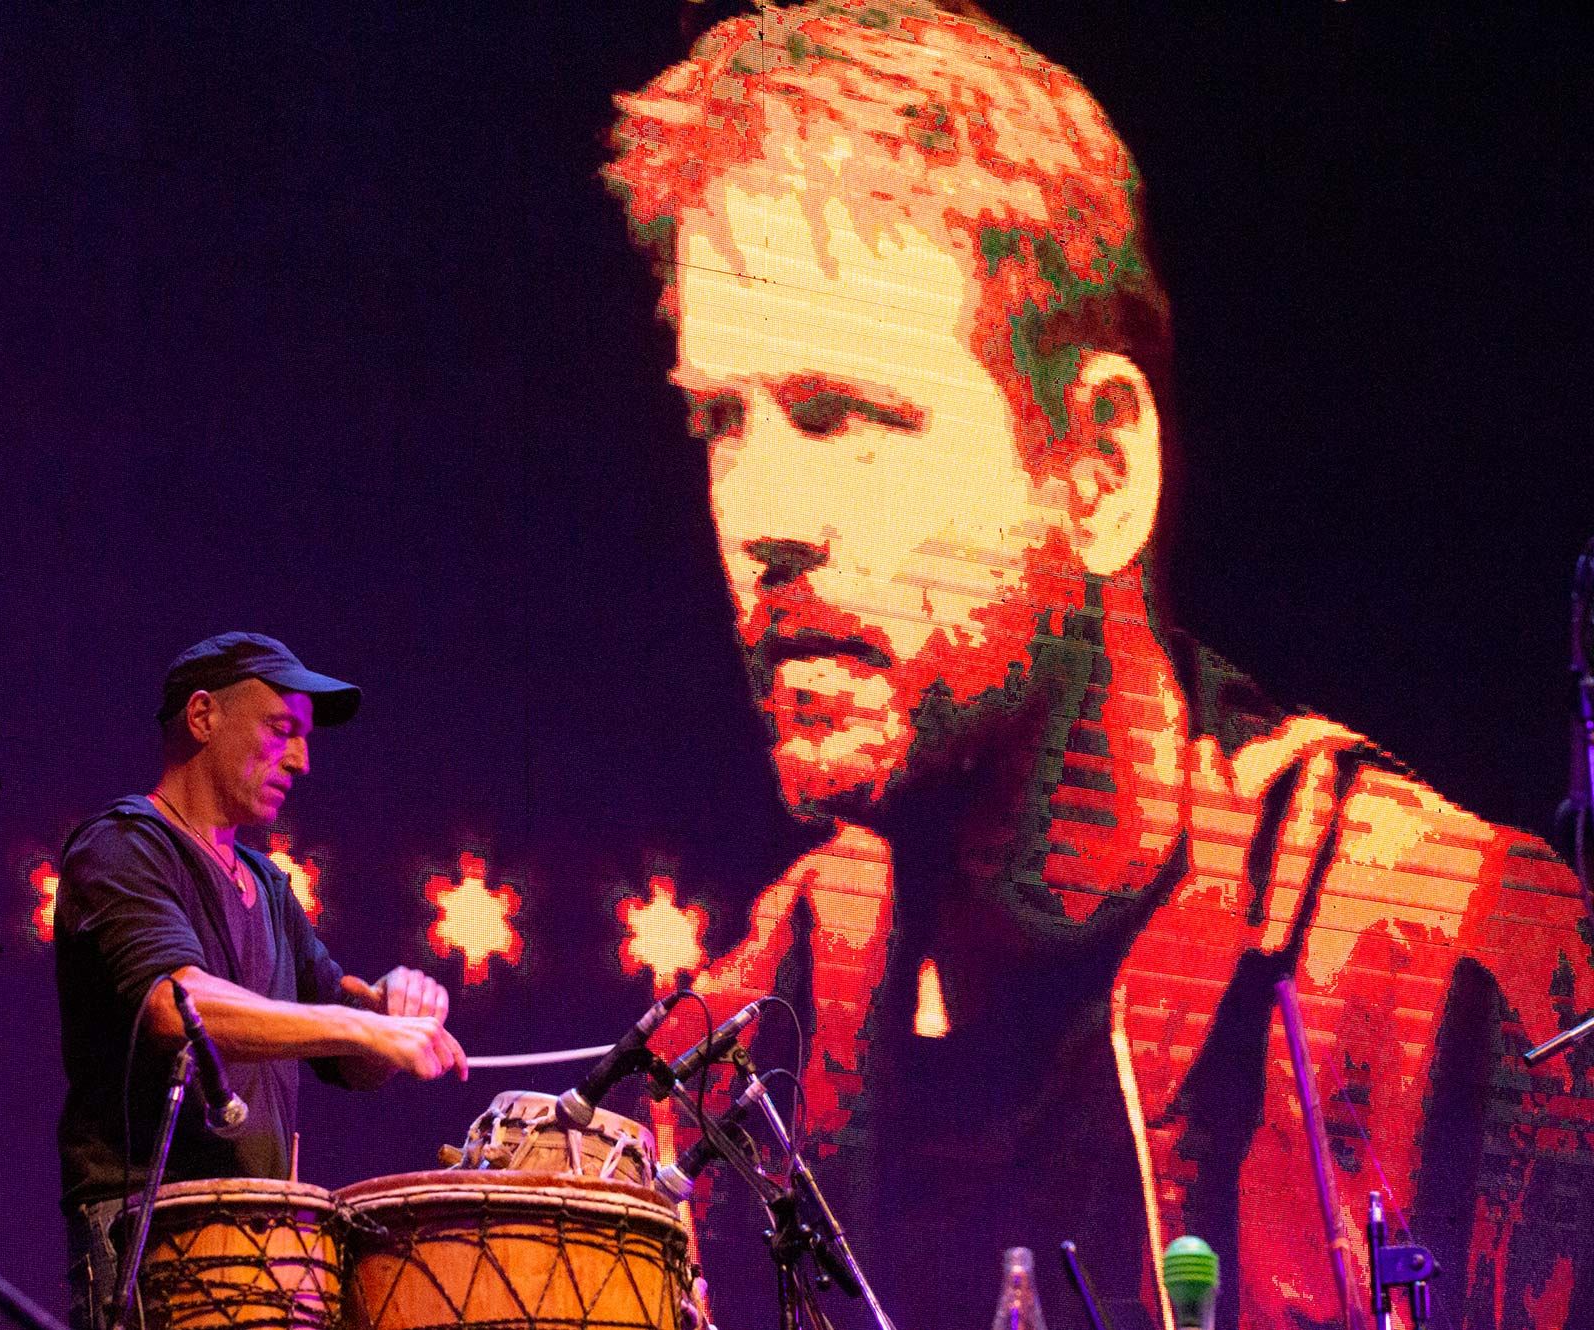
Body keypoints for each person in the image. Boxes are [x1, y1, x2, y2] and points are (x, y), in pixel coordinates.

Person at [605, 6, 1594, 1328]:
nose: (762, 513)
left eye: (847, 414)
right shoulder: (779, 985)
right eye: (722, 418)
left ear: (1100, 468)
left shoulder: (1440, 961)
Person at [54, 631, 467, 1330]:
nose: (303, 760)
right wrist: (369, 1024)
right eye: (283, 731)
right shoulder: (122, 846)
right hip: (148, 1229)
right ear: (203, 716)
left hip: (264, 1237)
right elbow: (179, 1007)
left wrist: (392, 1005)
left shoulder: (268, 886)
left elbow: (344, 1052)